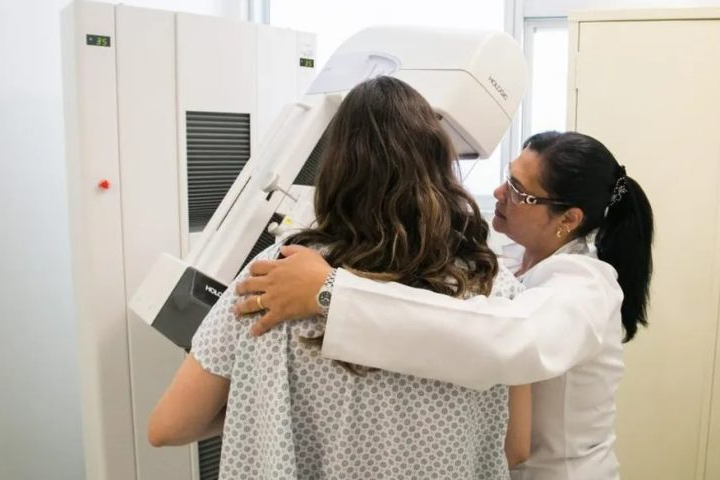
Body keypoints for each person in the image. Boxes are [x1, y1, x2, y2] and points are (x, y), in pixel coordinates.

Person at [148, 75, 531, 479]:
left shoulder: (276, 276)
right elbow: (516, 447)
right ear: (438, 165)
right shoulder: (493, 286)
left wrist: (259, 403)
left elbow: (168, 426)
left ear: (335, 169)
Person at [234, 130, 655, 480]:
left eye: (518, 191)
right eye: (507, 178)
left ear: (569, 219)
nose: (499, 193)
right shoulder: (511, 261)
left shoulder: (587, 288)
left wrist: (331, 293)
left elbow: (502, 340)